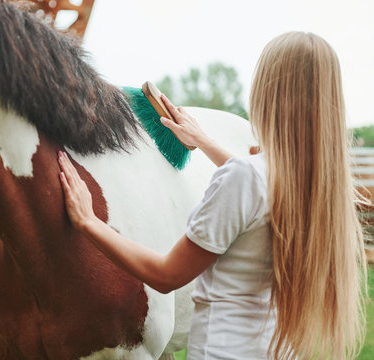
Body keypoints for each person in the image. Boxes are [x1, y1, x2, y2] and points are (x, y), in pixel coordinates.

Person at [57, 32, 367, 359]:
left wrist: (90, 222)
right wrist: (203, 140)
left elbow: (166, 275)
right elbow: (257, 186)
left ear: (268, 92)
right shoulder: (318, 184)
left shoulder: (247, 177)